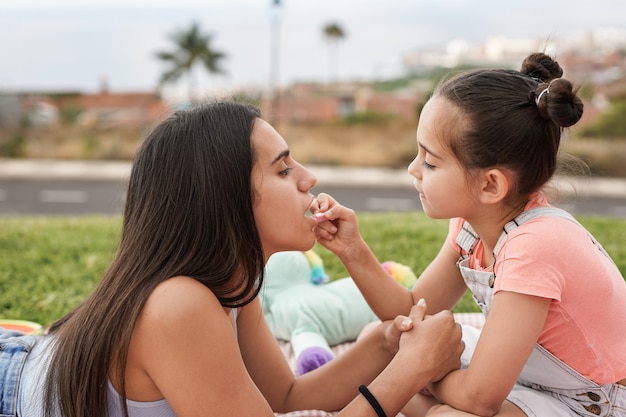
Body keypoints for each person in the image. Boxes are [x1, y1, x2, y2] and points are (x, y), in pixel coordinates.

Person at [0, 100, 464, 417]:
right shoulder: (178, 303)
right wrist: (409, 372)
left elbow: (284, 395)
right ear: (226, 198)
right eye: (283, 169)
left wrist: (385, 345)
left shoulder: (234, 284)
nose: (308, 178)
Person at [310, 52, 626, 417]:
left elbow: (480, 399)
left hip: (596, 399)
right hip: (530, 376)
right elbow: (413, 311)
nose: (414, 169)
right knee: (386, 342)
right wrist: (353, 250)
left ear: (490, 185)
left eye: (430, 161)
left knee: (443, 413)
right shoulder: (470, 227)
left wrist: (428, 372)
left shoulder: (536, 245)